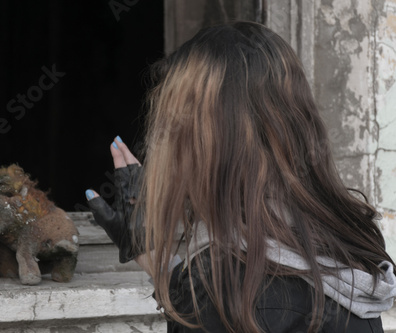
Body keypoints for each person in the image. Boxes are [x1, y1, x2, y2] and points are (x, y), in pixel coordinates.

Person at [85, 21, 396, 333]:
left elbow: (232, 305)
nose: (162, 141)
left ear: (212, 143)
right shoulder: (341, 250)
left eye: (174, 124)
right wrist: (155, 257)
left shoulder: (229, 289)